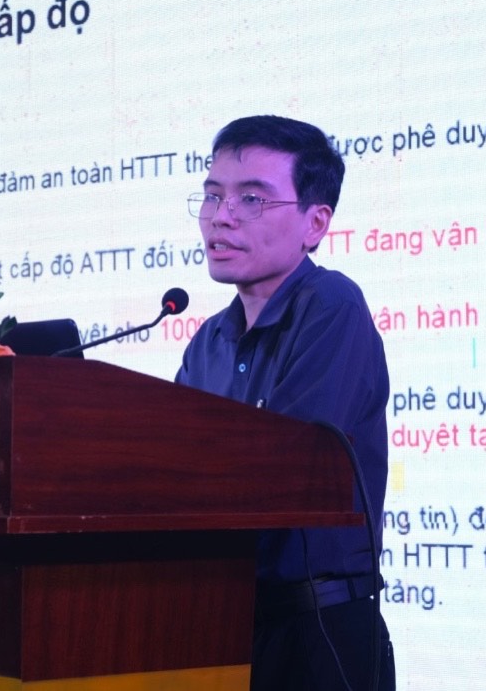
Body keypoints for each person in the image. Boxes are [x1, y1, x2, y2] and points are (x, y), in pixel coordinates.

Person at [175, 115, 395, 690]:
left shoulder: (331, 305)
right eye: (212, 195)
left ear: (315, 223)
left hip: (317, 634)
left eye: (251, 199)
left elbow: (283, 468)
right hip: (222, 627)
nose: (221, 216)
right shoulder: (208, 342)